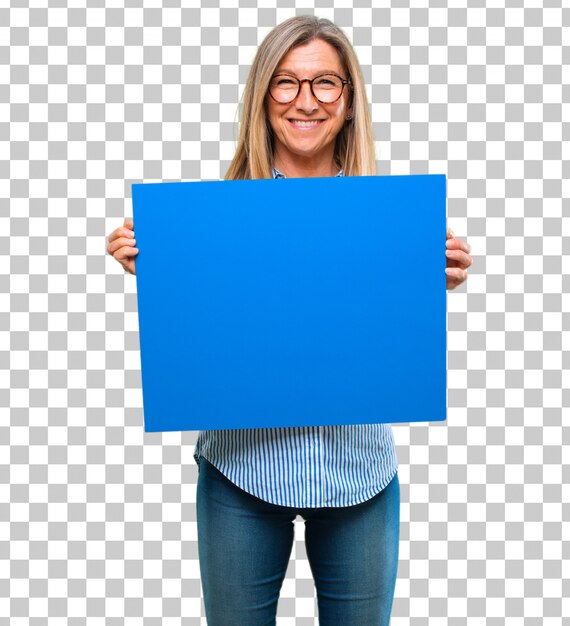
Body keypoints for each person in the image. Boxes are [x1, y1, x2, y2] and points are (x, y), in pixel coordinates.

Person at [107, 15, 472, 626]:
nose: (306, 101)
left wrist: (430, 281)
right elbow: (206, 327)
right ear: (262, 97)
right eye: (286, 83)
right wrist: (162, 271)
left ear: (349, 100)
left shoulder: (389, 220)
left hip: (359, 473)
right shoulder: (209, 218)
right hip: (240, 472)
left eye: (325, 83)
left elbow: (381, 332)